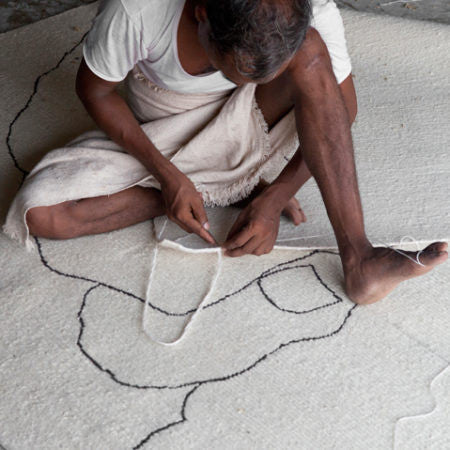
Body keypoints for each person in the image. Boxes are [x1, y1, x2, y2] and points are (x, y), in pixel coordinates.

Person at [17, 0, 448, 304]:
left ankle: (359, 258)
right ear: (201, 13)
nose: (240, 77)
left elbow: (340, 108)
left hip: (255, 119)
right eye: (233, 66)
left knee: (311, 53)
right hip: (164, 128)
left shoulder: (310, 7)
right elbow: (95, 91)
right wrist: (168, 177)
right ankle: (223, 186)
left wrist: (274, 196)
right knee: (42, 214)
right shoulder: (137, 9)